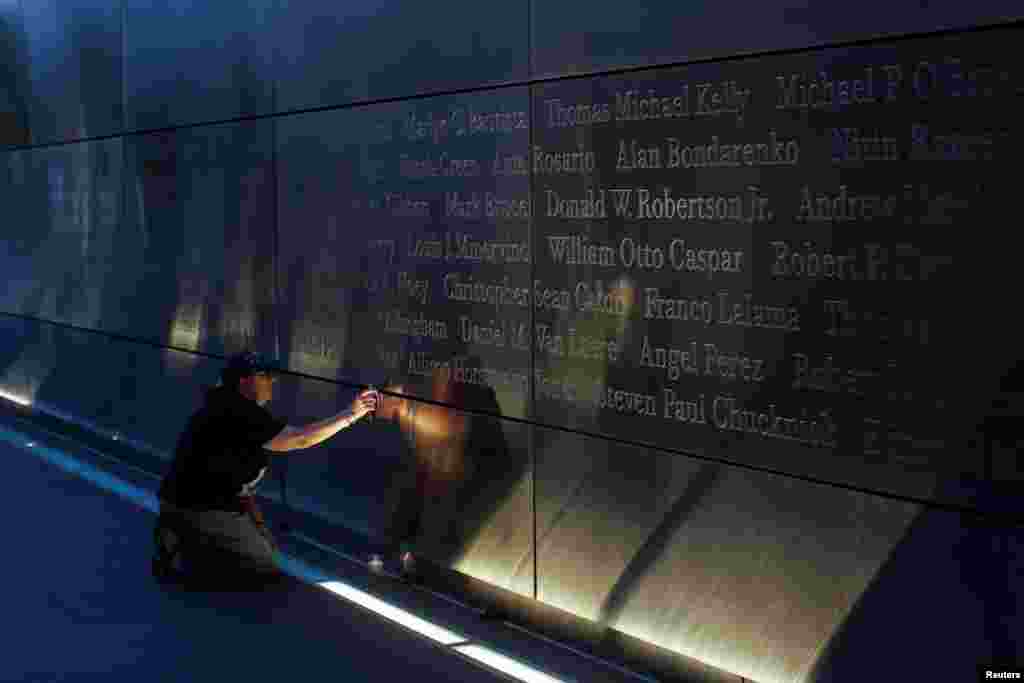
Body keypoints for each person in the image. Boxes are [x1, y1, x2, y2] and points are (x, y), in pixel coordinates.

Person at [152, 350, 379, 588]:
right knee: (262, 565)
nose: (272, 381)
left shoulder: (221, 405)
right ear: (244, 381)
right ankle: (187, 554)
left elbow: (241, 488)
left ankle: (180, 536)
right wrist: (351, 414)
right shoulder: (240, 411)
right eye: (265, 376)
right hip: (203, 507)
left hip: (177, 502)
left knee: (263, 551)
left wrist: (260, 529)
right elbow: (299, 439)